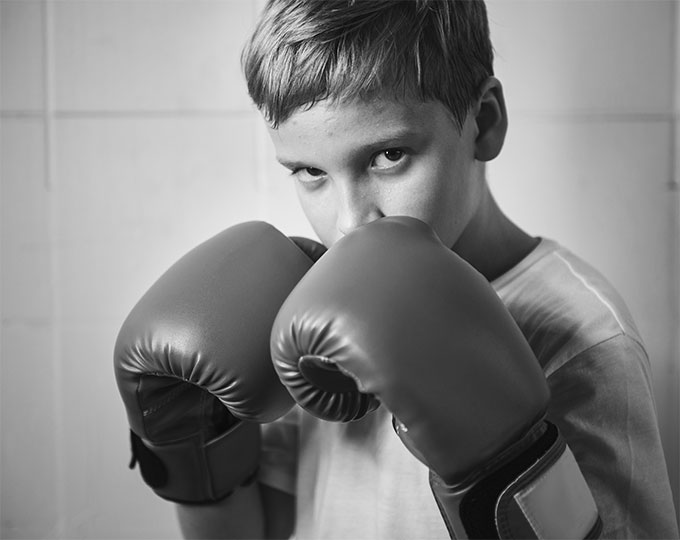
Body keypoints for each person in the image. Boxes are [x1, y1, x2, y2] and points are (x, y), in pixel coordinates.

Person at [116, 1, 679, 538]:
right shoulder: (304, 312)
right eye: (311, 171)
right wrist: (192, 451)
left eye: (387, 156)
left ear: (482, 123)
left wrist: (507, 471)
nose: (350, 222)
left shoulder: (580, 333)